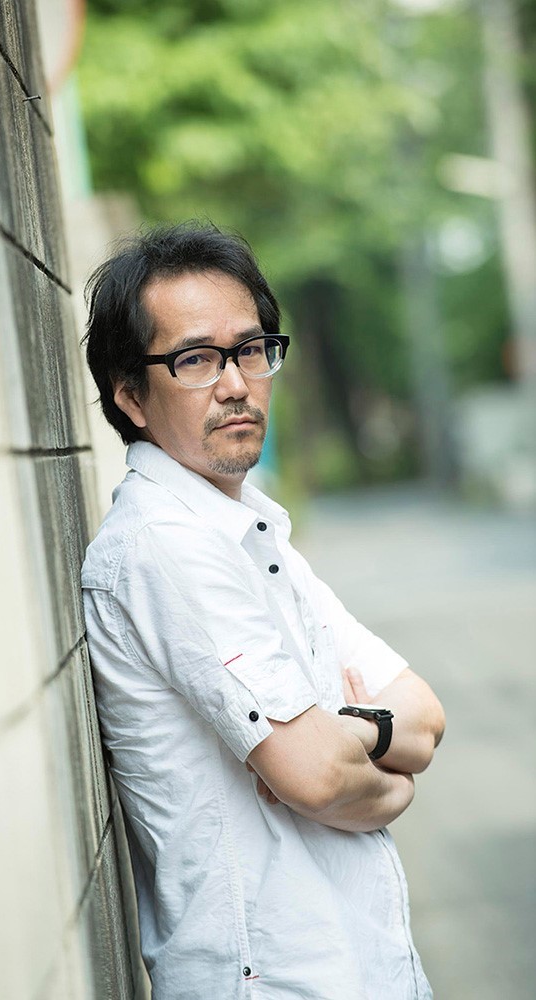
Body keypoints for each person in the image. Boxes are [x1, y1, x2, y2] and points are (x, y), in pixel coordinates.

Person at [80, 222, 445, 1000]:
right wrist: (392, 782)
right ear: (131, 395)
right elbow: (317, 776)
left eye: (250, 350)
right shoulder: (165, 548)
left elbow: (424, 716)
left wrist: (353, 735)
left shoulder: (249, 530)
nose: (237, 383)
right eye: (195, 360)